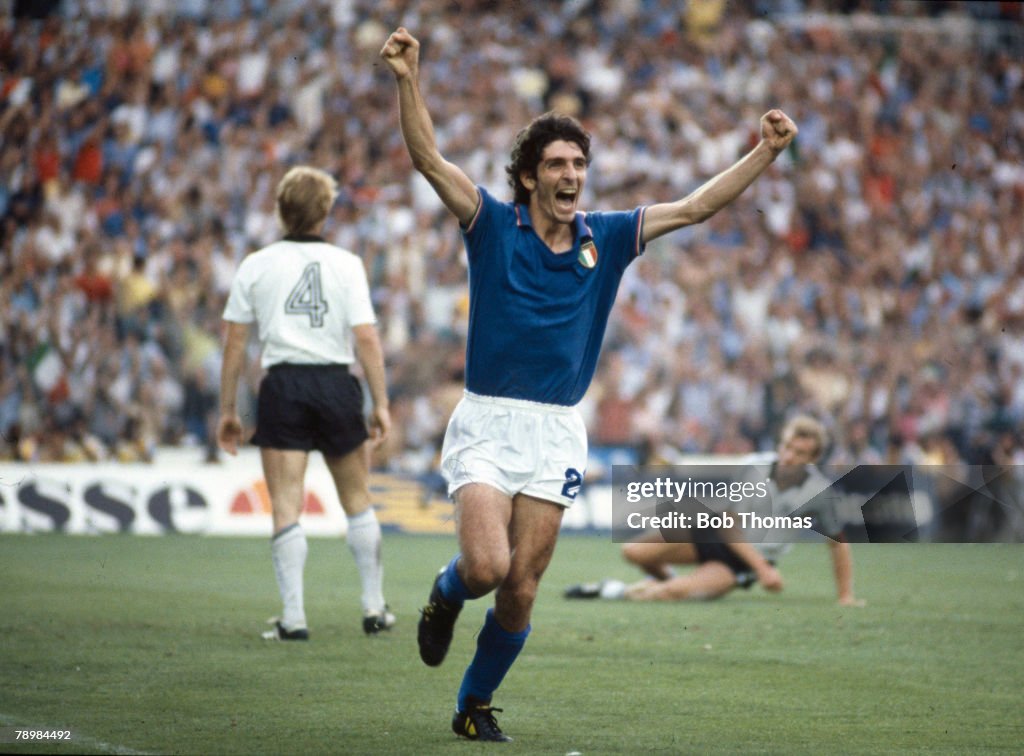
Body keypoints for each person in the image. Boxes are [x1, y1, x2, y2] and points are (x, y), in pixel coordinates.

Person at [380, 26, 798, 742]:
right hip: (487, 419)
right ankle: (444, 596)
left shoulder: (605, 238)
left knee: (522, 587)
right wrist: (408, 79)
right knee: (484, 567)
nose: (572, 174)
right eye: (557, 163)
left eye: (579, 162)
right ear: (530, 176)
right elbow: (427, 158)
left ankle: (472, 705)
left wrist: (764, 151)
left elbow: (695, 207)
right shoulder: (490, 224)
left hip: (556, 429)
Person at [217, 166, 394, 639]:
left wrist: (228, 410)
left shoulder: (256, 264)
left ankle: (294, 618)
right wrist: (381, 402)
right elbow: (367, 339)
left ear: (280, 209)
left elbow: (235, 343)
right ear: (326, 211)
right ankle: (374, 607)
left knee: (286, 506)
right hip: (337, 383)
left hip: (284, 385)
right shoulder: (347, 263)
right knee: (357, 500)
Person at [565, 415, 866, 605]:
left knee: (670, 595)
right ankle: (674, 584)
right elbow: (728, 522)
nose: (787, 456)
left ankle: (611, 590)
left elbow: (838, 544)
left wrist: (845, 595)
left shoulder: (818, 493)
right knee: (632, 552)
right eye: (786, 446)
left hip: (740, 563)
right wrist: (765, 571)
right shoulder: (755, 465)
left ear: (813, 459)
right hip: (717, 534)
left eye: (799, 453)